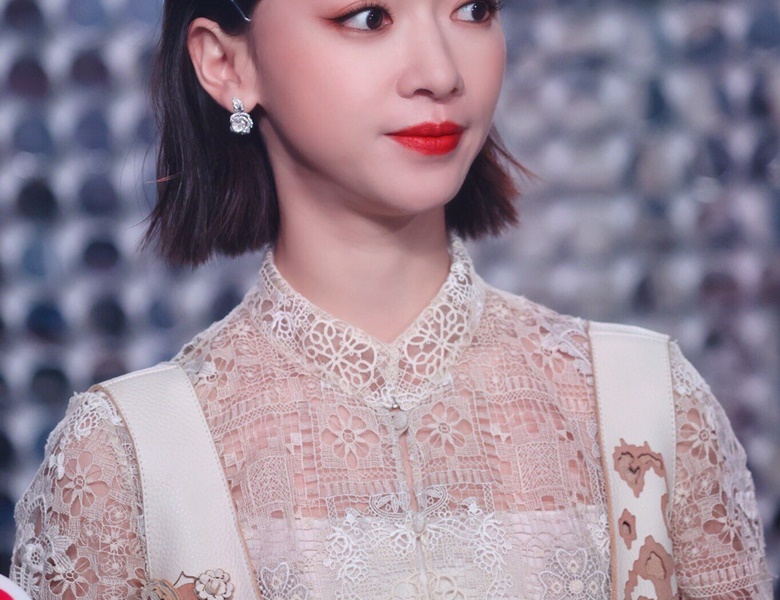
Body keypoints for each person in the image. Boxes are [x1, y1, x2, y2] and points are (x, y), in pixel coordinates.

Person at [10, 0, 773, 598]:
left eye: (472, 9)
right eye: (368, 17)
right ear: (225, 63)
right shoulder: (126, 460)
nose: (440, 72)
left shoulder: (643, 402)